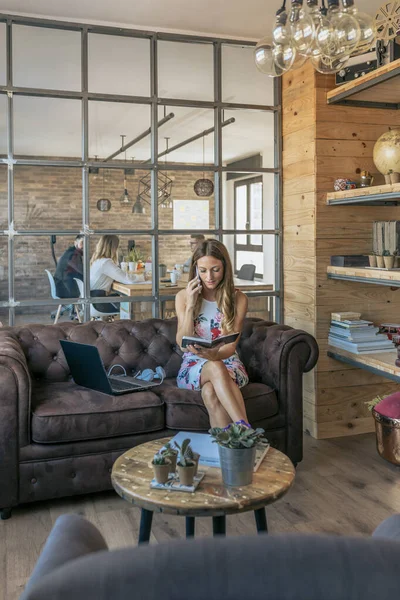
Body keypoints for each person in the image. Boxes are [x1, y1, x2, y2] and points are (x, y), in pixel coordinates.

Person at [175, 239, 250, 428]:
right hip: (193, 364)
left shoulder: (238, 298)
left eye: (215, 270)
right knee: (215, 367)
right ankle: (245, 428)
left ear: (225, 268)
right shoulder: (183, 297)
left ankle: (223, 454)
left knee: (210, 391)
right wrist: (191, 304)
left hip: (228, 361)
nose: (209, 277)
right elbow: (182, 344)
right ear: (195, 270)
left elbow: (230, 346)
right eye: (202, 270)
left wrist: (215, 355)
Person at [90, 235, 134, 314]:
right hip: (100, 304)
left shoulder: (97, 261)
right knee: (134, 303)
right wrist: (144, 278)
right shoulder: (106, 262)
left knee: (123, 297)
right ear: (114, 248)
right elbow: (127, 279)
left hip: (94, 300)